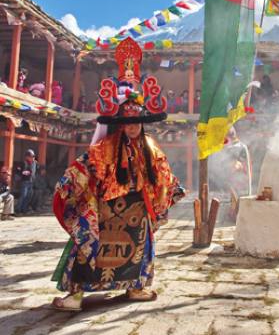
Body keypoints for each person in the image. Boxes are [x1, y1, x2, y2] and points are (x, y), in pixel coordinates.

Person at [51, 37, 185, 311]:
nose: (133, 126)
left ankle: (135, 288)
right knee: (88, 244)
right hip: (105, 209)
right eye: (127, 121)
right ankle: (76, 296)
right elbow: (87, 165)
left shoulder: (150, 147)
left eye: (137, 121)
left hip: (138, 208)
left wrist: (172, 187)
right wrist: (69, 182)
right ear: (119, 124)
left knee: (139, 247)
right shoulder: (105, 146)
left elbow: (162, 172)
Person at [15, 149, 37, 215]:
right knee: (23, 196)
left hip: (31, 182)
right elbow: (19, 172)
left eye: (33, 156)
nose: (32, 157)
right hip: (24, 182)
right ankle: (18, 210)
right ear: (26, 157)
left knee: (29, 196)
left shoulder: (34, 163)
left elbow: (35, 172)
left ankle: (24, 210)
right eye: (31, 156)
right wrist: (25, 172)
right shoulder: (22, 163)